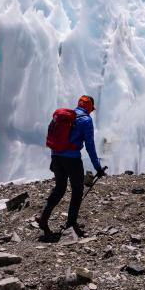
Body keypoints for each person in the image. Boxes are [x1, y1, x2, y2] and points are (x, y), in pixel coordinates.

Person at [38, 95, 104, 240]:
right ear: (89, 107)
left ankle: (43, 218)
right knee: (77, 190)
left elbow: (55, 137)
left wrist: (54, 158)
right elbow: (90, 145)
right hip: (72, 159)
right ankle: (71, 224)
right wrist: (97, 167)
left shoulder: (64, 117)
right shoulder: (86, 120)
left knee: (60, 188)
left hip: (56, 156)